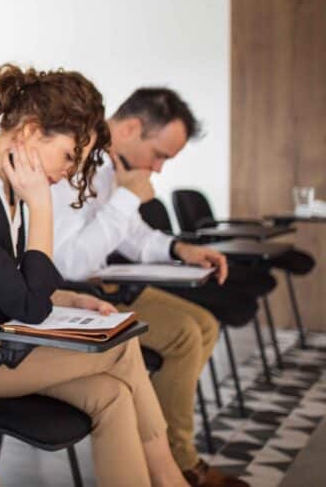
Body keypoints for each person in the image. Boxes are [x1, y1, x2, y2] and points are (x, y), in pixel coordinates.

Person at [0, 64, 187, 487]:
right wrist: (41, 206)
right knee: (123, 347)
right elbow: (29, 307)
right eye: (69, 157)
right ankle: (172, 479)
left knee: (113, 394)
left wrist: (68, 298)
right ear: (32, 131)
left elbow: (9, 282)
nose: (69, 172)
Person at [52, 88, 258, 486]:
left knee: (205, 324)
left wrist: (179, 249)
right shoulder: (69, 161)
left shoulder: (114, 166)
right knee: (183, 335)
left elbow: (133, 236)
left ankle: (159, 445)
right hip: (71, 297)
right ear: (131, 128)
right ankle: (178, 461)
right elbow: (68, 264)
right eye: (159, 155)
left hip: (106, 287)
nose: (159, 169)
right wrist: (127, 198)